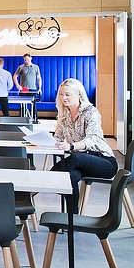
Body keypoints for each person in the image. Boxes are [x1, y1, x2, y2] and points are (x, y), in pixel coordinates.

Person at [50, 79, 117, 211]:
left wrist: (71, 146)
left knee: (74, 159)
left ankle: (36, 188)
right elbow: (58, 136)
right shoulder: (64, 114)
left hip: (103, 161)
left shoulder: (91, 112)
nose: (63, 97)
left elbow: (92, 139)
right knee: (69, 177)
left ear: (78, 94)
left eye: (67, 94)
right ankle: (72, 217)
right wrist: (44, 141)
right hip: (81, 163)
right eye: (61, 94)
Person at [13, 53, 42, 123]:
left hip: (32, 89)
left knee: (34, 105)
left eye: (27, 60)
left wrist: (40, 88)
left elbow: (39, 78)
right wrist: (18, 85)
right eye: (25, 60)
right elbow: (14, 76)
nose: (26, 61)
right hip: (23, 89)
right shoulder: (21, 67)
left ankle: (35, 119)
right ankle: (22, 119)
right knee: (22, 105)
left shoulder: (36, 67)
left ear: (31, 58)